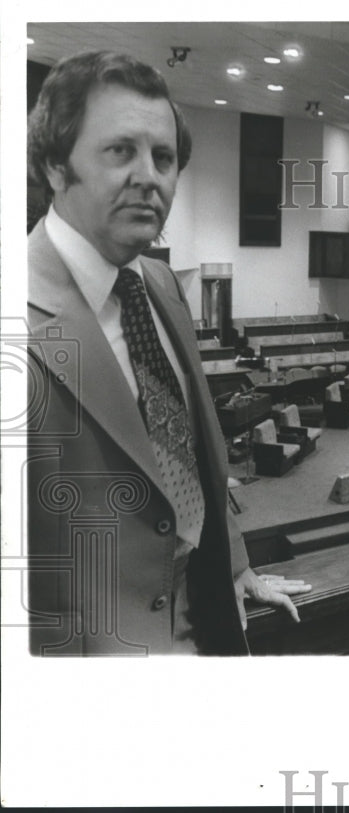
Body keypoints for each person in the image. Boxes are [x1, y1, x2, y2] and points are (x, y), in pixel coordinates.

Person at [25, 50, 310, 655]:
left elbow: (196, 451)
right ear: (54, 166)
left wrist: (236, 565)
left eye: (163, 157)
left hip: (204, 625)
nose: (149, 176)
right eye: (119, 150)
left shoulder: (157, 285)